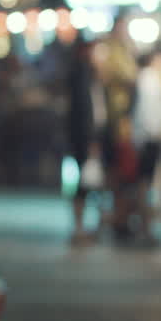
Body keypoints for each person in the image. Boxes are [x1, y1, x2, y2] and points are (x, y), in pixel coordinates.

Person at [66, 37, 105, 245]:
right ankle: (79, 228)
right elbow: (84, 110)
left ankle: (86, 227)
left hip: (89, 137)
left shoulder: (90, 75)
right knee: (84, 184)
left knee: (88, 184)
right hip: (85, 138)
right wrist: (91, 140)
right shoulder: (82, 74)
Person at [130, 50, 161, 243]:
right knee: (145, 184)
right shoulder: (149, 79)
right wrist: (154, 132)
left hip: (147, 137)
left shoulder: (147, 78)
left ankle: (144, 226)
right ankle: (144, 227)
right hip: (149, 138)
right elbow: (148, 112)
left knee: (144, 184)